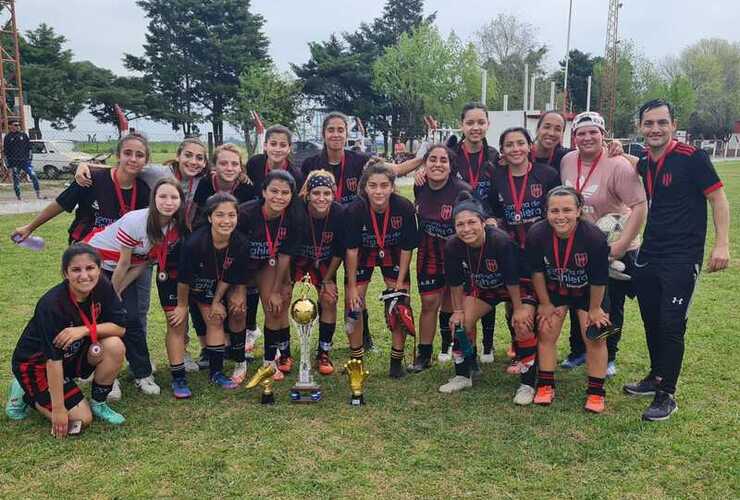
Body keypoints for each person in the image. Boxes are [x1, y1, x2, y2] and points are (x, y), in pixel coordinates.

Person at [624, 99, 730, 421]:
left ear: (673, 124)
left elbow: (718, 199)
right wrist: (618, 153)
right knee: (651, 319)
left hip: (682, 257)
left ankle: (666, 394)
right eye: (649, 123)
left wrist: (722, 244)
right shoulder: (646, 160)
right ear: (640, 127)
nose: (655, 129)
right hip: (651, 252)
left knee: (671, 323)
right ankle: (655, 375)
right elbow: (636, 164)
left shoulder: (692, 158)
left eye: (661, 122)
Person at [74, 138, 210, 372]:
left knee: (158, 304)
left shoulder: (204, 179)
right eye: (188, 155)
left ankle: (164, 353)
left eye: (199, 158)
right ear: (178, 156)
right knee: (124, 307)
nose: (193, 161)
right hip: (130, 246)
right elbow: (128, 164)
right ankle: (121, 359)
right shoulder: (158, 172)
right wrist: (86, 166)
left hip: (168, 243)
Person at [302, 112, 422, 351]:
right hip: (325, 233)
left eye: (340, 129)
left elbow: (394, 169)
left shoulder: (360, 160)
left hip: (360, 230)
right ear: (324, 134)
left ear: (347, 134)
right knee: (328, 288)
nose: (336, 134)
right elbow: (301, 195)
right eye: (331, 130)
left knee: (355, 289)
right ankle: (323, 345)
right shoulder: (310, 163)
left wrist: (425, 159)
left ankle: (364, 337)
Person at [559, 111, 647, 377]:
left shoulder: (617, 164)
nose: (587, 137)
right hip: (580, 248)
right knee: (580, 300)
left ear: (603, 135)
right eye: (581, 133)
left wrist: (621, 245)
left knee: (610, 304)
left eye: (593, 132)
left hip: (616, 248)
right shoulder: (567, 160)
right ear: (574, 137)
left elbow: (639, 206)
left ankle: (609, 354)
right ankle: (579, 350)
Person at [5, 244, 127, 434]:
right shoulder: (51, 304)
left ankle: (99, 403)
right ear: (65, 273)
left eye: (90, 268)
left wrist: (84, 330)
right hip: (38, 365)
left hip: (73, 352)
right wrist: (59, 409)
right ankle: (26, 393)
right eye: (76, 270)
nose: (84, 276)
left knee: (114, 345)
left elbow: (120, 328)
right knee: (80, 421)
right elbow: (53, 361)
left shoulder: (102, 286)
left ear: (99, 269)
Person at [85, 178, 188, 397]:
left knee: (130, 317)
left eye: (174, 197)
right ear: (153, 199)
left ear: (181, 201)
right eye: (163, 196)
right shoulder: (136, 221)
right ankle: (106, 377)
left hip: (129, 269)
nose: (168, 202)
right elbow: (122, 263)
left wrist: (120, 291)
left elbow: (141, 264)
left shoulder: (174, 226)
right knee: (105, 319)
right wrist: (112, 296)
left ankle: (142, 373)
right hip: (99, 265)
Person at [526, 186, 611, 413]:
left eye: (567, 210)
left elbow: (599, 278)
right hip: (555, 289)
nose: (560, 216)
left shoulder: (593, 237)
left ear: (579, 211)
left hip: (589, 292)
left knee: (596, 336)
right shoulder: (536, 233)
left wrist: (594, 309)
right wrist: (544, 303)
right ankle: (545, 385)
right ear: (547, 212)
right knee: (546, 330)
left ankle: (596, 391)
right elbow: (537, 273)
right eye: (554, 210)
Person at [488, 127, 560, 395]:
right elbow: (492, 209)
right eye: (509, 145)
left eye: (520, 143)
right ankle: (521, 352)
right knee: (512, 304)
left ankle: (539, 358)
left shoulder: (547, 174)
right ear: (503, 151)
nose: (515, 149)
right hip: (511, 251)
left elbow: (558, 207)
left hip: (541, 252)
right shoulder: (497, 177)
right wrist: (491, 221)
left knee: (539, 305)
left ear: (530, 146)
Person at [439, 192, 529, 398]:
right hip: (485, 287)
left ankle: (529, 382)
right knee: (460, 324)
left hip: (516, 286)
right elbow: (455, 282)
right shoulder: (453, 244)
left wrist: (519, 309)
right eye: (460, 224)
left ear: (483, 222)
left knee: (523, 324)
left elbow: (513, 279)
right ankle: (464, 374)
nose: (466, 229)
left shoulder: (500, 241)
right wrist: (458, 311)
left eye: (472, 222)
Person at [345, 159, 419, 378]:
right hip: (363, 253)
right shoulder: (355, 209)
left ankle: (396, 363)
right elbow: (351, 251)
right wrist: (351, 287)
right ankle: (356, 361)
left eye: (384, 186)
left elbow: (407, 248)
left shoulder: (404, 206)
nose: (379, 191)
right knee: (353, 307)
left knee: (400, 305)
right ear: (365, 187)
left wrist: (399, 284)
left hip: (394, 253)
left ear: (392, 187)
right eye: (373, 186)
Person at [177, 193, 249, 390]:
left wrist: (217, 299)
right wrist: (182, 305)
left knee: (218, 315)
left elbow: (228, 275)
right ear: (209, 217)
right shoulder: (194, 243)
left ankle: (217, 371)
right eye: (219, 215)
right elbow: (183, 280)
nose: (226, 221)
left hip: (217, 284)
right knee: (211, 318)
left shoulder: (240, 242)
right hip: (192, 285)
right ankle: (206, 365)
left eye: (231, 215)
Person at [237, 170, 303, 381]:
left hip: (268, 262)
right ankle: (239, 362)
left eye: (285, 192)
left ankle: (269, 361)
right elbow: (234, 253)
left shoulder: (293, 216)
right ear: (263, 192)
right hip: (241, 265)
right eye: (274, 191)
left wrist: (277, 288)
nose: (279, 197)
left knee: (274, 308)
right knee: (238, 311)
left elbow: (284, 256)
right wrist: (237, 289)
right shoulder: (245, 214)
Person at [410, 144, 470, 371]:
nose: (437, 164)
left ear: (451, 165)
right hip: (429, 253)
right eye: (432, 159)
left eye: (443, 160)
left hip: (457, 254)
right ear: (425, 164)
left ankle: (457, 349)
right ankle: (424, 354)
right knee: (428, 303)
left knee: (454, 303)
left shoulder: (462, 190)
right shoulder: (420, 186)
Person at [293, 170, 346, 374]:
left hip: (325, 262)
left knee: (329, 298)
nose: (321, 198)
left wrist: (327, 280)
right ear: (307, 193)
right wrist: (282, 282)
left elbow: (340, 250)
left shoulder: (340, 213)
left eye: (327, 193)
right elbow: (287, 249)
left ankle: (324, 351)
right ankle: (283, 352)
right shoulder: (297, 210)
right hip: (297, 259)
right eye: (316, 193)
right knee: (281, 296)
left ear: (333, 194)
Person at [246, 125, 304, 194]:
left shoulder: (296, 176)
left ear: (289, 148)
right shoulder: (254, 163)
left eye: (283, 145)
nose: (277, 149)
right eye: (273, 144)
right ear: (265, 146)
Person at [3, 119, 41, 201]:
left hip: (25, 162)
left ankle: (38, 195)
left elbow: (29, 148)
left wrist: (30, 159)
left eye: (18, 125)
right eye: (15, 125)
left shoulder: (24, 135)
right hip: (14, 163)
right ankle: (19, 197)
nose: (18, 126)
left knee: (33, 175)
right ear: (10, 126)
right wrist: (8, 165)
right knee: (16, 180)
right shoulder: (7, 137)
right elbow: (6, 152)